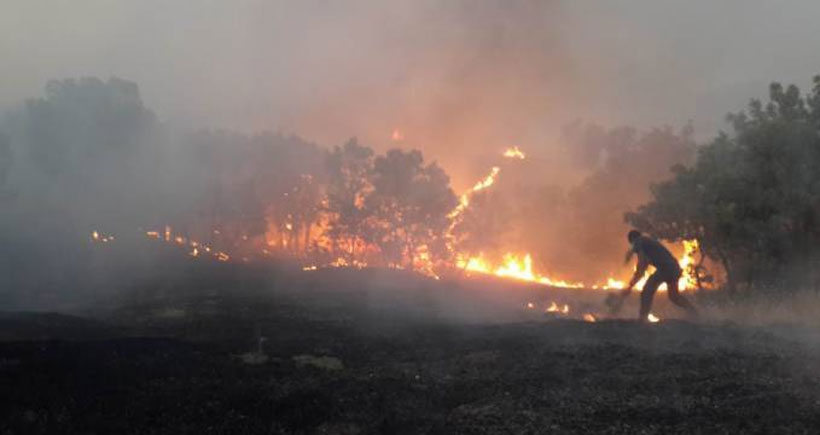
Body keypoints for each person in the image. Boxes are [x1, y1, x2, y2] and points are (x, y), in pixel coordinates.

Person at [619, 230, 698, 321]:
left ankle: (642, 318)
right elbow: (643, 267)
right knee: (674, 296)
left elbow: (641, 264)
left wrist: (630, 286)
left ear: (632, 239)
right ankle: (694, 312)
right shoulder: (648, 243)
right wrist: (632, 284)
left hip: (665, 269)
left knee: (647, 291)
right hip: (674, 268)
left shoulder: (638, 241)